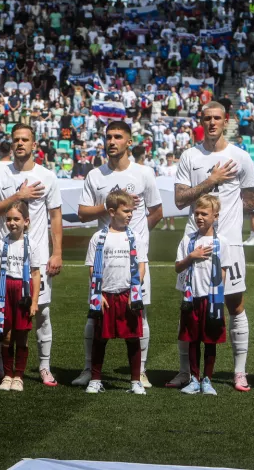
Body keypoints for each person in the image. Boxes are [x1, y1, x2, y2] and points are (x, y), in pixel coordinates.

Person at [171, 102, 254, 392]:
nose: (212, 123)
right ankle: (186, 372)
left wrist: (227, 218)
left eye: (217, 118)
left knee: (235, 305)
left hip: (228, 245)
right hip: (194, 245)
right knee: (189, 307)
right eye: (207, 118)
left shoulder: (241, 157)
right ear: (201, 121)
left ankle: (239, 372)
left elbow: (251, 200)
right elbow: (180, 200)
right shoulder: (190, 156)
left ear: (226, 121)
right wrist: (211, 181)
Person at [74, 121, 163, 388]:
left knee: (139, 312)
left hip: (133, 262)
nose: (112, 141)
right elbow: (81, 213)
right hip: (104, 261)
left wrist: (134, 238)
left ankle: (141, 371)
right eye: (108, 137)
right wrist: (107, 208)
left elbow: (156, 212)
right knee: (94, 313)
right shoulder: (95, 175)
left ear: (129, 141)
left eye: (117, 137)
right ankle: (90, 370)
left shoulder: (144, 174)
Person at [0, 124, 62, 386]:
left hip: (35, 260)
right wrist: (18, 195)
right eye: (16, 139)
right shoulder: (0, 173)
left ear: (34, 144)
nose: (20, 143)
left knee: (41, 315)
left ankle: (44, 367)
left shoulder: (47, 176)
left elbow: (55, 216)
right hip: (6, 261)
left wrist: (57, 252)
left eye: (25, 139)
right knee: (0, 316)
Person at [83, 190, 148, 395]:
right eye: (126, 211)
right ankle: (95, 379)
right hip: (106, 296)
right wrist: (98, 293)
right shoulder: (99, 237)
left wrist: (134, 292)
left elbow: (142, 266)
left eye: (132, 211)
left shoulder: (135, 237)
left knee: (133, 338)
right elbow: (93, 267)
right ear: (112, 211)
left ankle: (135, 381)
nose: (130, 214)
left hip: (127, 294)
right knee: (100, 338)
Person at [174, 195, 230, 395]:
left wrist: (218, 299)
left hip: (212, 300)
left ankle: (207, 379)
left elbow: (223, 271)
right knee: (192, 339)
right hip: (191, 298)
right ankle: (194, 378)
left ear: (215, 216)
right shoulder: (188, 240)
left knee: (210, 340)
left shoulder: (221, 242)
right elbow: (177, 267)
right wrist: (191, 257)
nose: (199, 217)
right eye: (197, 213)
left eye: (204, 214)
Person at [0, 201, 41, 392]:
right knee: (6, 335)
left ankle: (19, 376)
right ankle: (7, 375)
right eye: (8, 219)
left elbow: (36, 274)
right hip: (4, 291)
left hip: (22, 292)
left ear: (26, 221)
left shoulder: (31, 244)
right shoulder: (1, 243)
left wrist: (34, 301)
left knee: (22, 335)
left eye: (16, 219)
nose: (12, 223)